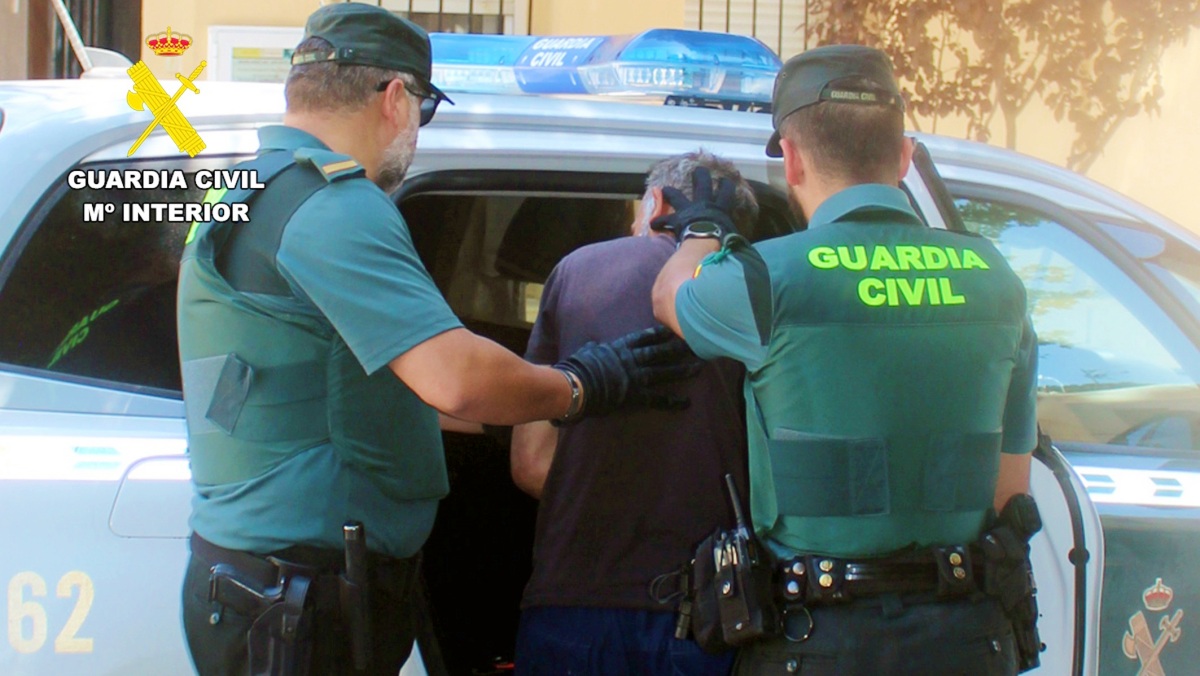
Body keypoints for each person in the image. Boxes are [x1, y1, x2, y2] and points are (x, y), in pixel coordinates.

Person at [175, 5, 692, 675]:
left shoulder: (247, 189)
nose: (416, 130)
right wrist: (581, 384)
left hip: (262, 586)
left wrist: (513, 418)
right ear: (395, 98)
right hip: (301, 599)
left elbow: (367, 382)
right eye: (424, 110)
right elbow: (454, 376)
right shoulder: (334, 205)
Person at [650, 45, 1038, 675]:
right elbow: (1009, 488)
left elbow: (670, 296)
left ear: (793, 158)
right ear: (906, 156)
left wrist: (703, 226)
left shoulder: (763, 278)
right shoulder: (999, 280)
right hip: (967, 638)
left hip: (820, 640)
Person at [510, 150, 757, 675]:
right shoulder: (759, 290)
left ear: (658, 203)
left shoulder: (580, 270)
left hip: (576, 601)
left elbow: (530, 464)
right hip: (712, 611)